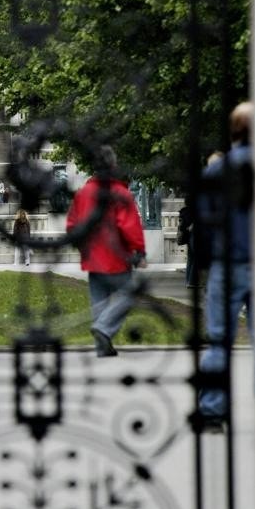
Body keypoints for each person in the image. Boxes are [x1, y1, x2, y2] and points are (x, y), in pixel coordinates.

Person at [198, 102, 253, 424]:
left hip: (228, 260)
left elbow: (205, 220)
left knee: (219, 339)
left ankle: (213, 408)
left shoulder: (218, 169)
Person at [65, 146, 146, 356]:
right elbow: (128, 225)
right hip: (116, 255)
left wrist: (81, 245)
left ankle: (102, 345)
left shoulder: (83, 193)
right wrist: (139, 251)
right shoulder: (120, 192)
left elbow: (73, 223)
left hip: (92, 256)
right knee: (129, 293)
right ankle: (104, 329)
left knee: (99, 299)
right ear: (113, 165)